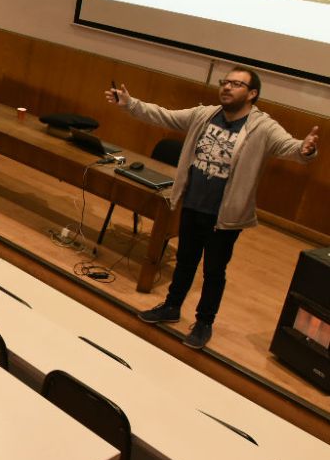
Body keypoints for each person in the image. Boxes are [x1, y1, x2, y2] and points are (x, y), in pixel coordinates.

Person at [106, 69, 319, 348]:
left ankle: (204, 322)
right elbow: (165, 115)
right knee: (185, 261)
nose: (227, 88)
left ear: (252, 94)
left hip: (224, 216)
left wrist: (306, 149)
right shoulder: (205, 114)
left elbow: (290, 147)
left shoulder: (262, 127)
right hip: (192, 203)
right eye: (225, 82)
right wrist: (130, 104)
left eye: (236, 84)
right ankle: (171, 307)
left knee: (214, 271)